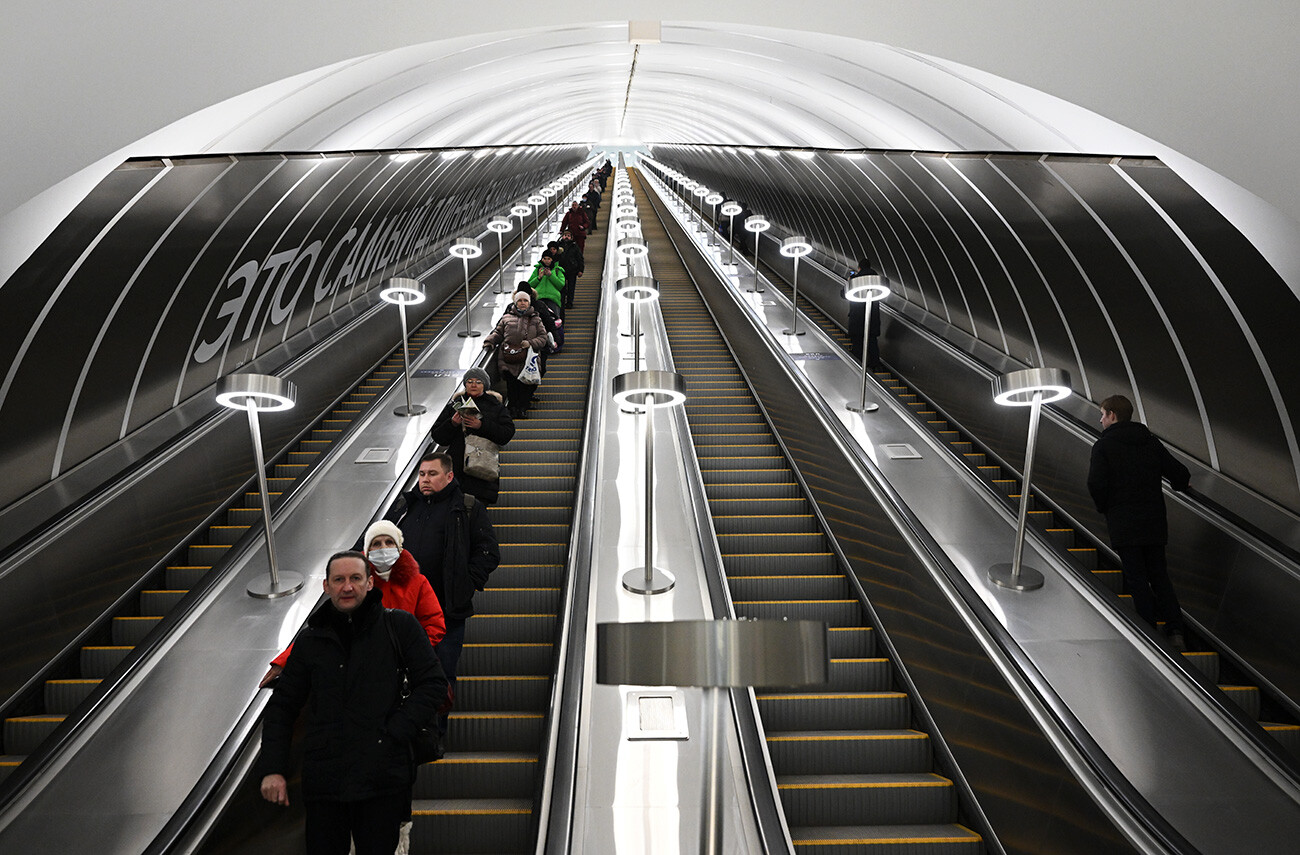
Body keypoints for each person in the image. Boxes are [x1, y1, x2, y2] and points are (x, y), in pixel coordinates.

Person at [257, 550, 446, 855]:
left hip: (382, 778)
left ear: (370, 583)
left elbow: (433, 683)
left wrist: (395, 731)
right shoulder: (310, 641)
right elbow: (283, 706)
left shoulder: (399, 626)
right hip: (325, 782)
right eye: (339, 580)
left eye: (356, 578)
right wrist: (273, 769)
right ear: (326, 586)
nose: (348, 587)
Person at [385, 452, 499, 741]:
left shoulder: (467, 508)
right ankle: (400, 734)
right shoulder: (404, 507)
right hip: (404, 610)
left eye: (432, 474)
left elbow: (489, 552)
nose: (425, 480)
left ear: (449, 476)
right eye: (422, 474)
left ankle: (434, 734)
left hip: (447, 610)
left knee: (440, 673)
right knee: (396, 673)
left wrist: (467, 583)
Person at [1087, 394, 1192, 649]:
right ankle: (1175, 630)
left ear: (1113, 415)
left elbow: (1095, 483)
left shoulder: (1103, 446)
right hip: (1154, 522)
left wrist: (1106, 507)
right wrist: (1180, 485)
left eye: (1102, 414)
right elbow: (1180, 474)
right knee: (1159, 575)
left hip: (1124, 523)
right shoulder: (1150, 443)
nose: (1101, 420)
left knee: (1136, 578)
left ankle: (1149, 632)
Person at [430, 367, 515, 501]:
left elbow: (506, 434)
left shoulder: (495, 406)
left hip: (482, 469)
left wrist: (482, 425)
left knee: (478, 511)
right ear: (465, 385)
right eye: (469, 381)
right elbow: (438, 437)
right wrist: (452, 424)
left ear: (485, 385)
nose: (473, 385)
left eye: (478, 382)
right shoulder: (454, 406)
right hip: (456, 469)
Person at [482, 290, 548, 417]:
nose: (522, 303)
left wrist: (530, 343)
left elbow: (543, 338)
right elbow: (498, 333)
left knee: (525, 386)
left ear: (529, 303)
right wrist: (489, 341)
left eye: (525, 300)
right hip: (509, 358)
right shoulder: (506, 318)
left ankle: (522, 408)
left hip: (527, 360)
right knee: (512, 387)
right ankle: (512, 409)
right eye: (519, 301)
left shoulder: (536, 319)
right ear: (515, 302)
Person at [846, 256, 882, 368]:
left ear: (859, 268)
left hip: (857, 319)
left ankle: (858, 367)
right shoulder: (877, 280)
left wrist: (849, 281)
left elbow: (843, 293)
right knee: (872, 344)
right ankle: (876, 368)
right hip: (872, 319)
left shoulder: (856, 280)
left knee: (857, 345)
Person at [526, 251, 565, 320]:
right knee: (538, 320)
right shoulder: (537, 270)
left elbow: (560, 285)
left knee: (555, 319)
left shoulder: (557, 270)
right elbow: (529, 285)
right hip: (539, 298)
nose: (546, 261)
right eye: (544, 258)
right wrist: (539, 278)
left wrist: (550, 276)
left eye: (549, 259)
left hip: (553, 299)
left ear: (552, 259)